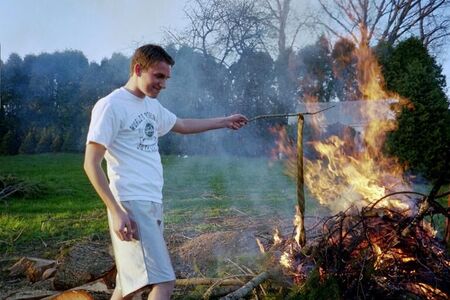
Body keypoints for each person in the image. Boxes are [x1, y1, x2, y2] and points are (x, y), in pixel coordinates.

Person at [84, 44, 247, 300]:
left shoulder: (151, 106)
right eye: (158, 76)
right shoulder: (111, 106)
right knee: (164, 282)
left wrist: (224, 121)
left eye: (166, 78)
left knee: (128, 286)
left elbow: (181, 124)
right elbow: (90, 163)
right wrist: (116, 211)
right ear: (138, 69)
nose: (163, 84)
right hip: (131, 203)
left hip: (151, 201)